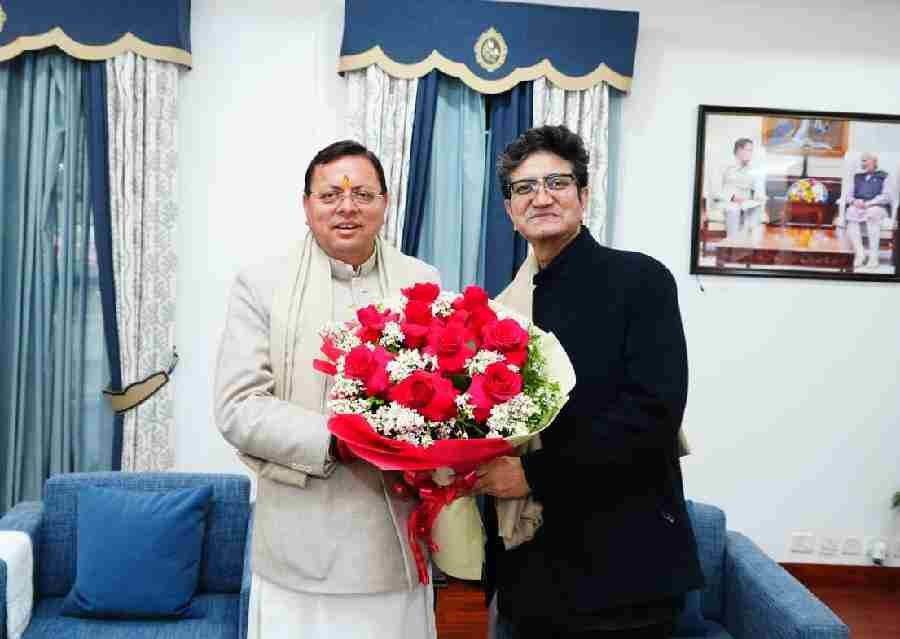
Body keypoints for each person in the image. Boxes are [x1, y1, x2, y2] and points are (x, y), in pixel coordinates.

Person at [475, 125, 704, 638]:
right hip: (529, 569)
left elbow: (653, 416)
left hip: (625, 570)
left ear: (583, 195)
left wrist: (533, 474)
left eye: (556, 182)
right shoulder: (502, 309)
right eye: (524, 188)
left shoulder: (639, 281)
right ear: (510, 210)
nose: (541, 198)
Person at [214, 140, 440, 639]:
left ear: (385, 203)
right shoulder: (262, 284)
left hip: (391, 541)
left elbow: (445, 393)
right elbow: (238, 407)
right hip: (298, 543)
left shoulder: (421, 281)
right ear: (306, 205)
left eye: (362, 194)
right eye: (330, 195)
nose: (346, 207)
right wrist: (340, 440)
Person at [840, 152, 891, 269]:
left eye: (865, 160)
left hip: (877, 206)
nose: (863, 163)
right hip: (859, 206)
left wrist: (869, 203)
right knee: (850, 212)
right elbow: (848, 195)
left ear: (874, 162)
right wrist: (854, 201)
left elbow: (887, 196)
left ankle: (873, 257)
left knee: (872, 214)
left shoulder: (884, 176)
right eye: (862, 161)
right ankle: (860, 254)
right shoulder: (857, 177)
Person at [715, 138, 768, 237]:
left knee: (754, 209)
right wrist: (732, 198)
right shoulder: (726, 167)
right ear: (738, 151)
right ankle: (733, 240)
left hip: (747, 202)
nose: (750, 154)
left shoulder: (754, 170)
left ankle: (749, 241)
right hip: (728, 201)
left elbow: (760, 193)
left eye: (751, 150)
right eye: (747, 150)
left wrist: (754, 200)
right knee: (733, 210)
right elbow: (716, 190)